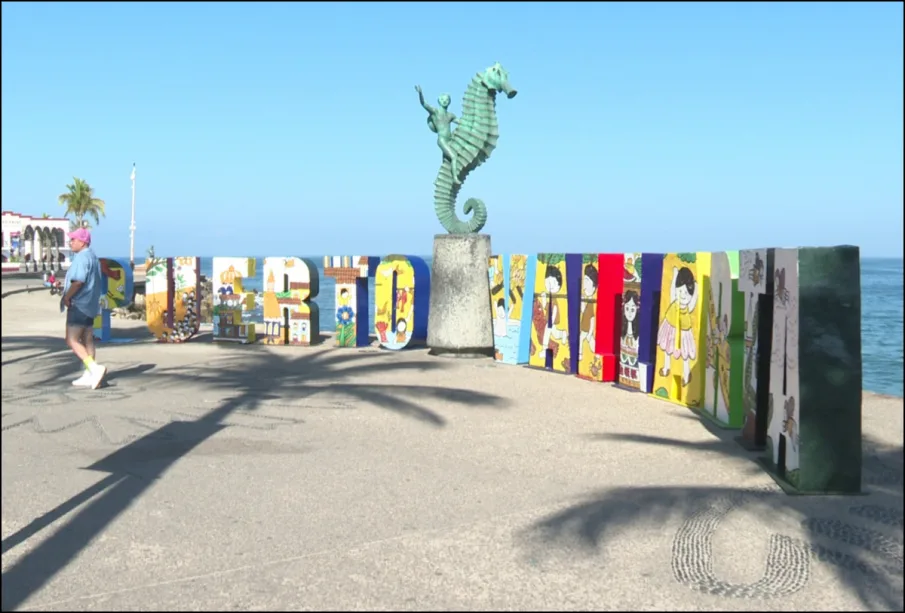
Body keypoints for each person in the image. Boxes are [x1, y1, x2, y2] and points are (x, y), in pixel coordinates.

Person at [61, 228, 107, 389]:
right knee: (87, 338)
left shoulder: (81, 257)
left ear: (83, 242)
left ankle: (94, 369)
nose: (71, 242)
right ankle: (89, 374)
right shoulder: (93, 257)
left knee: (72, 339)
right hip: (91, 304)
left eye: (73, 239)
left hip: (79, 304)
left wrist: (67, 296)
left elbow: (78, 281)